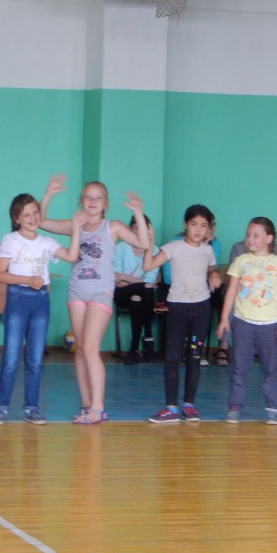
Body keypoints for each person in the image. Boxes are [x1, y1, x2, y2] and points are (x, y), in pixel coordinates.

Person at [39, 178, 146, 425]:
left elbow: (143, 243)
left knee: (90, 348)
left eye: (98, 197)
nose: (92, 201)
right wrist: (48, 193)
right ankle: (87, 405)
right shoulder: (74, 225)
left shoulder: (113, 227)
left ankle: (98, 409)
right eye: (88, 197)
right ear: (81, 201)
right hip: (77, 291)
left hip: (101, 292)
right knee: (79, 351)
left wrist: (139, 213)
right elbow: (41, 221)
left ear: (105, 203)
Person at [0, 193, 86, 426]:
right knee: (11, 358)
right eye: (26, 215)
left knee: (35, 359)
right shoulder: (10, 240)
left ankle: (32, 408)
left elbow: (72, 256)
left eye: (35, 213)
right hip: (17, 300)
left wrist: (76, 229)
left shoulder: (47, 242)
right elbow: (0, 274)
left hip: (40, 302)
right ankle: (1, 408)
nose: (32, 218)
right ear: (17, 218)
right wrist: (27, 280)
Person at [140, 204, 222, 423]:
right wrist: (149, 244)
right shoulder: (173, 247)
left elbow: (211, 268)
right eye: (194, 224)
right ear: (186, 224)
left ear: (208, 228)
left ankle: (189, 406)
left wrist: (214, 275)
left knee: (194, 357)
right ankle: (171, 408)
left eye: (203, 225)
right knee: (172, 358)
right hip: (177, 309)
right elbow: (148, 266)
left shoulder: (207, 250)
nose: (198, 229)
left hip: (201, 310)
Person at [217, 217, 277, 424]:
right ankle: (234, 407)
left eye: (256, 235)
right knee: (239, 368)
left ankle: (273, 408)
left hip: (270, 325)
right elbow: (231, 291)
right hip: (242, 323)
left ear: (269, 238)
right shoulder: (240, 261)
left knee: (271, 369)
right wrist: (224, 318)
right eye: (248, 234)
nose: (250, 239)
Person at [113, 213, 160, 365]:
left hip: (142, 297)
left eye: (143, 230)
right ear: (129, 229)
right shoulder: (120, 248)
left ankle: (133, 349)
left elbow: (150, 280)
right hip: (121, 294)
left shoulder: (155, 251)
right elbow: (116, 279)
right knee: (145, 288)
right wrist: (139, 282)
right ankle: (148, 338)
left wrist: (125, 278)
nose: (139, 233)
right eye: (135, 229)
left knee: (137, 299)